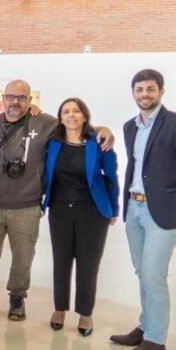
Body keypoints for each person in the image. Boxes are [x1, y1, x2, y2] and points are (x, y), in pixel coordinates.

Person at [0, 79, 113, 322]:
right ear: (3, 98)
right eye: (11, 97)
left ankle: (17, 299)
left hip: (27, 206)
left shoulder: (45, 124)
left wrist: (102, 131)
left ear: (30, 101)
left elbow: (74, 125)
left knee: (23, 257)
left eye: (22, 98)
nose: (15, 102)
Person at [110, 69, 176, 350]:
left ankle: (155, 341)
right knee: (143, 272)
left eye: (150, 89)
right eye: (139, 89)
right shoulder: (130, 127)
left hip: (163, 212)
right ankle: (145, 325)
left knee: (154, 275)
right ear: (133, 93)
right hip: (135, 207)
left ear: (161, 91)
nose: (145, 95)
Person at [42, 97, 119, 337]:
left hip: (92, 211)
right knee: (61, 261)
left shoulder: (98, 143)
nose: (71, 115)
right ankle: (59, 309)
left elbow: (112, 176)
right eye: (66, 111)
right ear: (60, 117)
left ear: (84, 116)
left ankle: (86, 313)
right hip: (60, 209)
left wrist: (114, 209)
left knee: (88, 264)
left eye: (76, 111)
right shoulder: (52, 143)